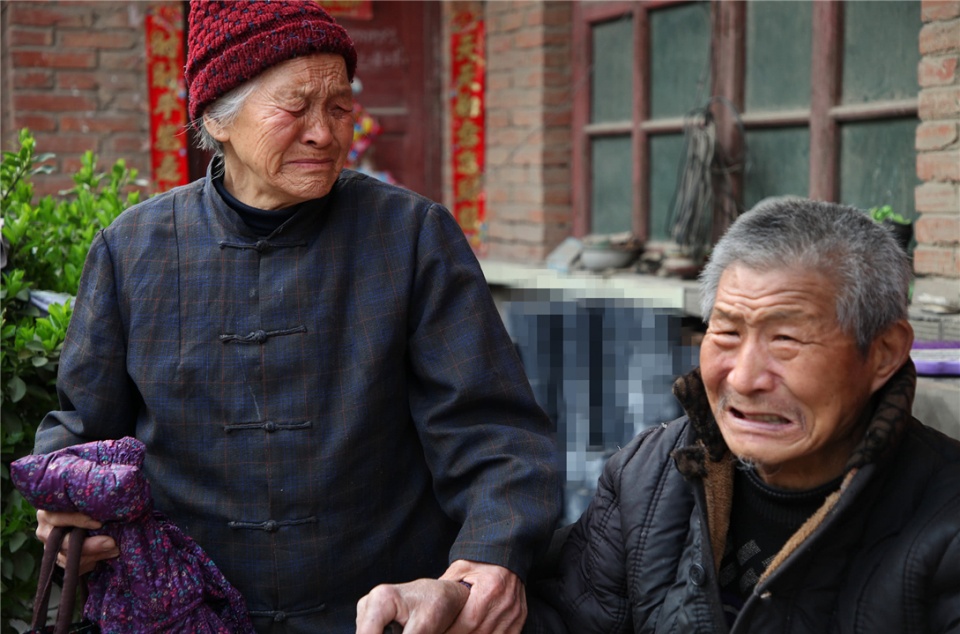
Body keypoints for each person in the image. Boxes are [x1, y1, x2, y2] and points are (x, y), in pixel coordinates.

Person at [31, 1, 561, 632]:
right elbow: (83, 426)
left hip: (379, 612)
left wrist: (492, 555)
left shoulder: (410, 236)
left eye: (339, 106)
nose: (325, 132)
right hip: (184, 611)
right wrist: (63, 501)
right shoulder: (132, 250)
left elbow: (492, 432)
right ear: (217, 118)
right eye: (295, 106)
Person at [357, 197, 960, 633]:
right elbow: (570, 618)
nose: (745, 377)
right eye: (726, 331)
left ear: (883, 352)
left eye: (787, 341)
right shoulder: (651, 475)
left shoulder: (943, 519)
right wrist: (456, 606)